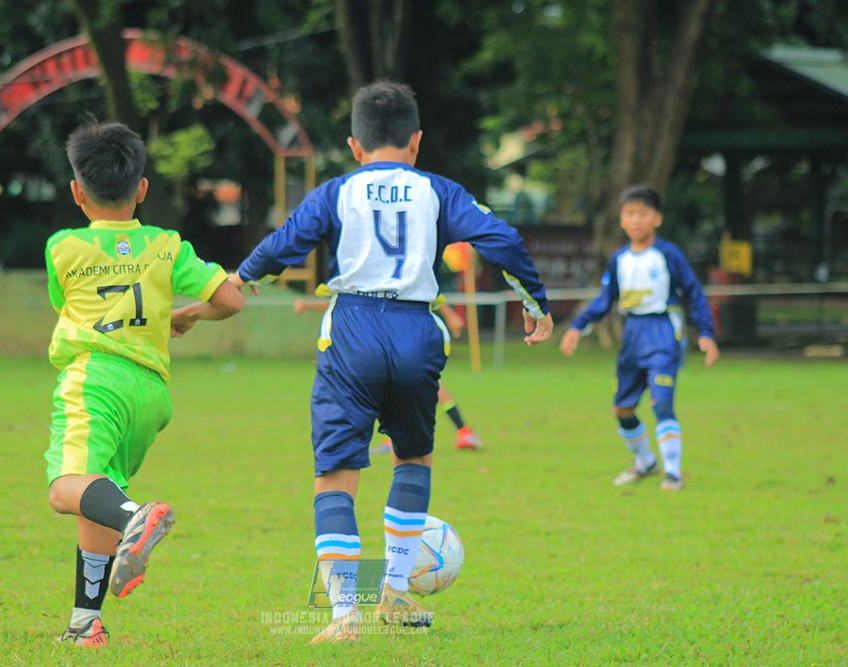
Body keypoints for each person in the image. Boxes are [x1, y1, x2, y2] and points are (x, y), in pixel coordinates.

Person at [232, 81, 552, 644]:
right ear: (417, 141)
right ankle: (395, 592)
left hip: (351, 328)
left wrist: (242, 277)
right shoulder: (438, 190)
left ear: (355, 145)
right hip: (415, 330)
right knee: (414, 458)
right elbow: (501, 238)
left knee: (335, 475)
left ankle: (343, 617)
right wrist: (536, 305)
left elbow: (287, 241)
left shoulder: (336, 190)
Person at [44, 119, 243, 646]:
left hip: (95, 380)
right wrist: (187, 315)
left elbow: (67, 304)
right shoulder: (165, 245)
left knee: (66, 491)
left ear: (76, 191)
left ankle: (139, 516)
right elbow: (231, 300)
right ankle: (86, 625)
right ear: (143, 189)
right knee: (97, 495)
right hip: (151, 394)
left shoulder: (63, 247)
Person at [559, 184, 718, 492]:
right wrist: (578, 326)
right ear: (621, 220)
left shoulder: (668, 255)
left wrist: (706, 333)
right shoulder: (619, 259)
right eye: (630, 214)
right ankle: (645, 462)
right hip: (631, 336)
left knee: (661, 402)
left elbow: (694, 293)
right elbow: (605, 299)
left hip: (663, 332)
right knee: (623, 410)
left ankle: (673, 473)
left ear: (656, 219)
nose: (636, 220)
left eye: (642, 214)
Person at [294, 299, 483, 451]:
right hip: (392, 332)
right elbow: (338, 301)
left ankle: (462, 431)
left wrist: (450, 316)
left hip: (408, 331)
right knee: (404, 382)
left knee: (424, 384)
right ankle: (455, 432)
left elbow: (433, 293)